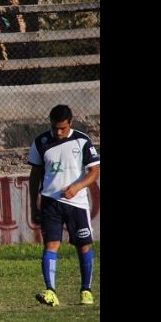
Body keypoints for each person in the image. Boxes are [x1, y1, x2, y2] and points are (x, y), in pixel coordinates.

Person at [28, 104, 100, 307]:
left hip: (77, 203)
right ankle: (50, 291)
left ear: (70, 123)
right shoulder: (41, 142)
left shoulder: (82, 140)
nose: (58, 132)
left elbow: (94, 171)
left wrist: (77, 187)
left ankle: (86, 290)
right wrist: (33, 206)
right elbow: (35, 176)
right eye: (55, 128)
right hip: (50, 202)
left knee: (83, 245)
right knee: (50, 245)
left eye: (62, 128)